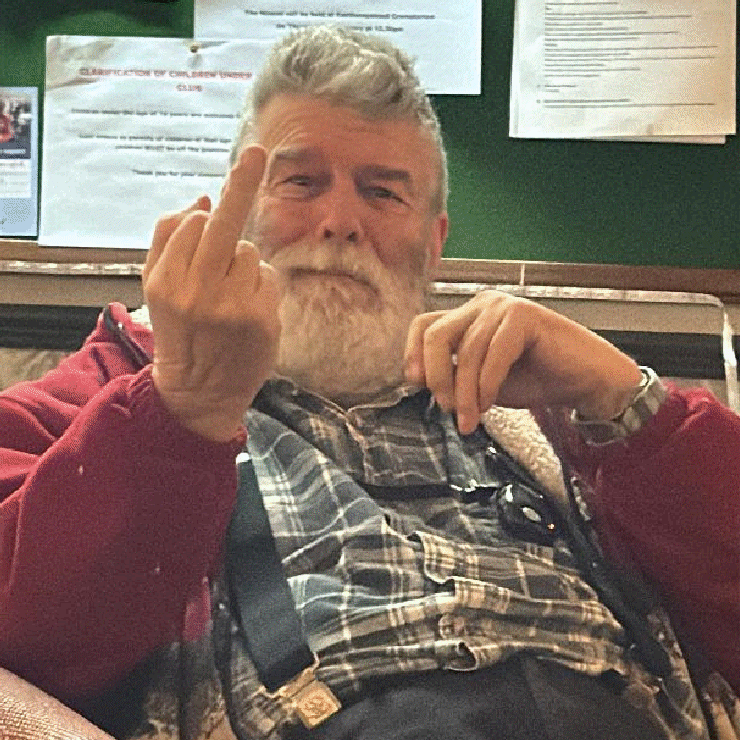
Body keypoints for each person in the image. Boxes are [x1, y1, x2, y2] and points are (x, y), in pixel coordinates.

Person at [0, 25, 738, 740]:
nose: (339, 221)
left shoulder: (547, 414)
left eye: (383, 193)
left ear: (435, 243)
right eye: (301, 181)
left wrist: (631, 406)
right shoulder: (102, 393)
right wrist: (181, 408)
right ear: (236, 210)